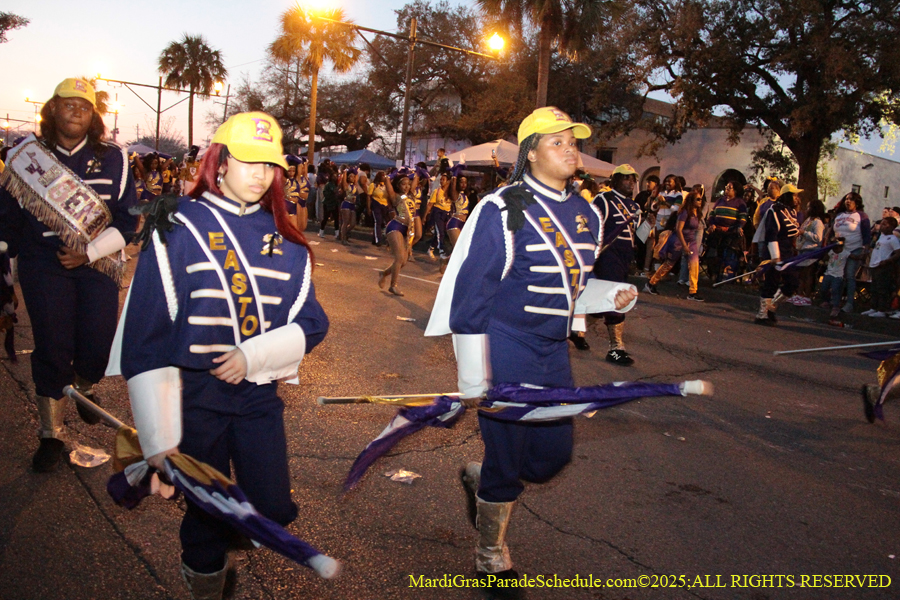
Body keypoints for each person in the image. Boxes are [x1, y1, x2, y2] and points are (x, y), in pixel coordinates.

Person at [108, 112, 329, 600]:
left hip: (257, 395)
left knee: (271, 507)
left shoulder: (288, 242)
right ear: (221, 161)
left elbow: (313, 322)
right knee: (206, 516)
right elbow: (146, 335)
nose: (259, 174)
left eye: (269, 165)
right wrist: (159, 442)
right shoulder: (179, 224)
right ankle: (205, 582)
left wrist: (257, 355)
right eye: (248, 161)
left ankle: (219, 527)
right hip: (194, 394)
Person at [425, 107, 637, 588]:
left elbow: (570, 287)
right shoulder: (504, 208)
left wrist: (610, 295)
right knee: (510, 449)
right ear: (531, 152)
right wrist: (474, 376)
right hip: (505, 344)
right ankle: (490, 556)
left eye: (573, 141)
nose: (570, 149)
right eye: (557, 142)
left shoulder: (586, 211)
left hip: (552, 348)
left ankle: (483, 481)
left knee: (551, 457)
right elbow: (471, 295)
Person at [0, 77, 138, 472]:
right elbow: (6, 219)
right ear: (52, 109)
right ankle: (51, 435)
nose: (76, 109)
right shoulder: (26, 156)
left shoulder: (115, 158)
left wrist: (88, 252)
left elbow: (128, 221)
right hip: (43, 266)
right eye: (67, 103)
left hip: (96, 266)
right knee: (53, 347)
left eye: (84, 105)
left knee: (97, 345)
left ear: (93, 115)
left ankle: (84, 388)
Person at [593, 164, 643, 364]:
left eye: (633, 179)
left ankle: (576, 333)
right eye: (626, 178)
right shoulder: (603, 199)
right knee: (616, 298)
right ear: (615, 180)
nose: (631, 182)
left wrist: (649, 221)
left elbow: (638, 237)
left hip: (625, 258)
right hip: (607, 256)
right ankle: (616, 348)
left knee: (599, 302)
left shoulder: (634, 207)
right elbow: (591, 227)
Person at [645, 186, 706, 301]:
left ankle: (693, 292)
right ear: (691, 201)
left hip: (691, 240)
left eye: (700, 199)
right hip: (678, 240)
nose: (700, 201)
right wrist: (684, 246)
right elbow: (678, 229)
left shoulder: (697, 213)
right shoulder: (684, 213)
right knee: (669, 264)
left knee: (694, 265)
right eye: (697, 199)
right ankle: (652, 282)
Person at [754, 187, 801, 325]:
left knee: (792, 282)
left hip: (787, 252)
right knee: (771, 283)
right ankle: (762, 315)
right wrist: (775, 256)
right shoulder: (774, 211)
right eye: (794, 196)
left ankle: (771, 308)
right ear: (787, 196)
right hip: (774, 251)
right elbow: (771, 234)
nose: (797, 199)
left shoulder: (791, 212)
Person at [378, 168, 420, 296]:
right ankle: (393, 286)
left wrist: (418, 172)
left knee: (404, 261)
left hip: (406, 230)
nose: (407, 186)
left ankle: (384, 273)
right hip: (396, 226)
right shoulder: (395, 196)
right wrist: (389, 176)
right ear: (397, 185)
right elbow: (387, 182)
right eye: (403, 184)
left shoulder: (410, 195)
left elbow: (415, 181)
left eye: (408, 184)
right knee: (399, 258)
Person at [829, 191, 872, 314]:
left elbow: (867, 235)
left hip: (855, 249)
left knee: (849, 275)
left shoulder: (862, 216)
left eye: (851, 199)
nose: (848, 201)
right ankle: (835, 301)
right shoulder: (839, 215)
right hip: (839, 250)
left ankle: (849, 303)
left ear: (857, 203)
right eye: (847, 199)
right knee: (837, 275)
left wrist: (865, 250)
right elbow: (832, 232)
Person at [705, 180, 748, 282]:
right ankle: (713, 274)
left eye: (729, 188)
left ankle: (727, 276)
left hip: (730, 234)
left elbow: (742, 218)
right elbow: (712, 214)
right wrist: (712, 224)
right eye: (726, 187)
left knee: (728, 255)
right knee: (713, 254)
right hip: (717, 232)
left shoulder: (740, 202)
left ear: (736, 191)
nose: (726, 189)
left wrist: (734, 227)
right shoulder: (720, 200)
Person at [862, 217, 900, 318]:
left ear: (891, 227)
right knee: (874, 288)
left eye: (885, 224)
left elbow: (897, 253)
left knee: (882, 288)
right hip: (874, 265)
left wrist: (887, 261)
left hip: (883, 266)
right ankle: (874, 307)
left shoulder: (893, 239)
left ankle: (882, 309)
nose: (882, 226)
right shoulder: (881, 236)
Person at [790, 199, 826, 305]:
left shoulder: (818, 222)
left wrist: (804, 233)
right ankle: (799, 294)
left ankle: (807, 296)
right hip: (802, 249)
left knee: (808, 274)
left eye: (809, 207)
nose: (807, 209)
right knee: (801, 274)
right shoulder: (808, 220)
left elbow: (818, 238)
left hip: (811, 251)